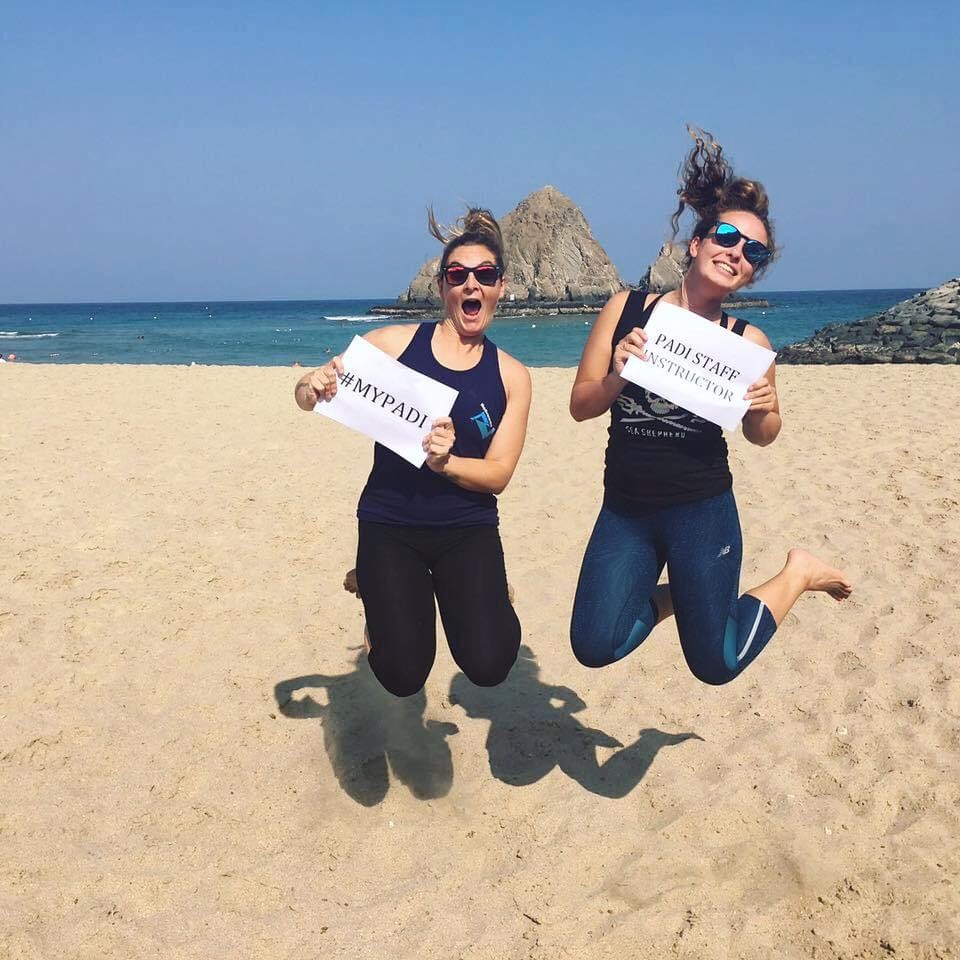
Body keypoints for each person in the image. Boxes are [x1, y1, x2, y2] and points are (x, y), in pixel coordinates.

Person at [569, 128, 852, 685]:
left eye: (754, 252)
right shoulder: (624, 309)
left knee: (715, 663)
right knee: (594, 645)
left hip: (701, 510)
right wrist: (618, 376)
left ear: (751, 273)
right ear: (696, 243)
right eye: (727, 236)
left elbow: (762, 434)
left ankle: (796, 574)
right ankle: (685, 596)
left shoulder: (749, 343)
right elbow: (581, 406)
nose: (737, 253)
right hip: (625, 508)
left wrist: (765, 407)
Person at [295, 208, 531, 697]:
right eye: (458, 276)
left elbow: (499, 474)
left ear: (500, 287)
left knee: (490, 665)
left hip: (466, 528)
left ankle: (492, 594)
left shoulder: (512, 375)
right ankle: (375, 589)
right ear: (443, 287)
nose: (472, 286)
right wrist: (311, 383)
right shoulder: (394, 344)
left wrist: (445, 464)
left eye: (484, 276)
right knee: (404, 677)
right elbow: (309, 393)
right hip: (390, 523)